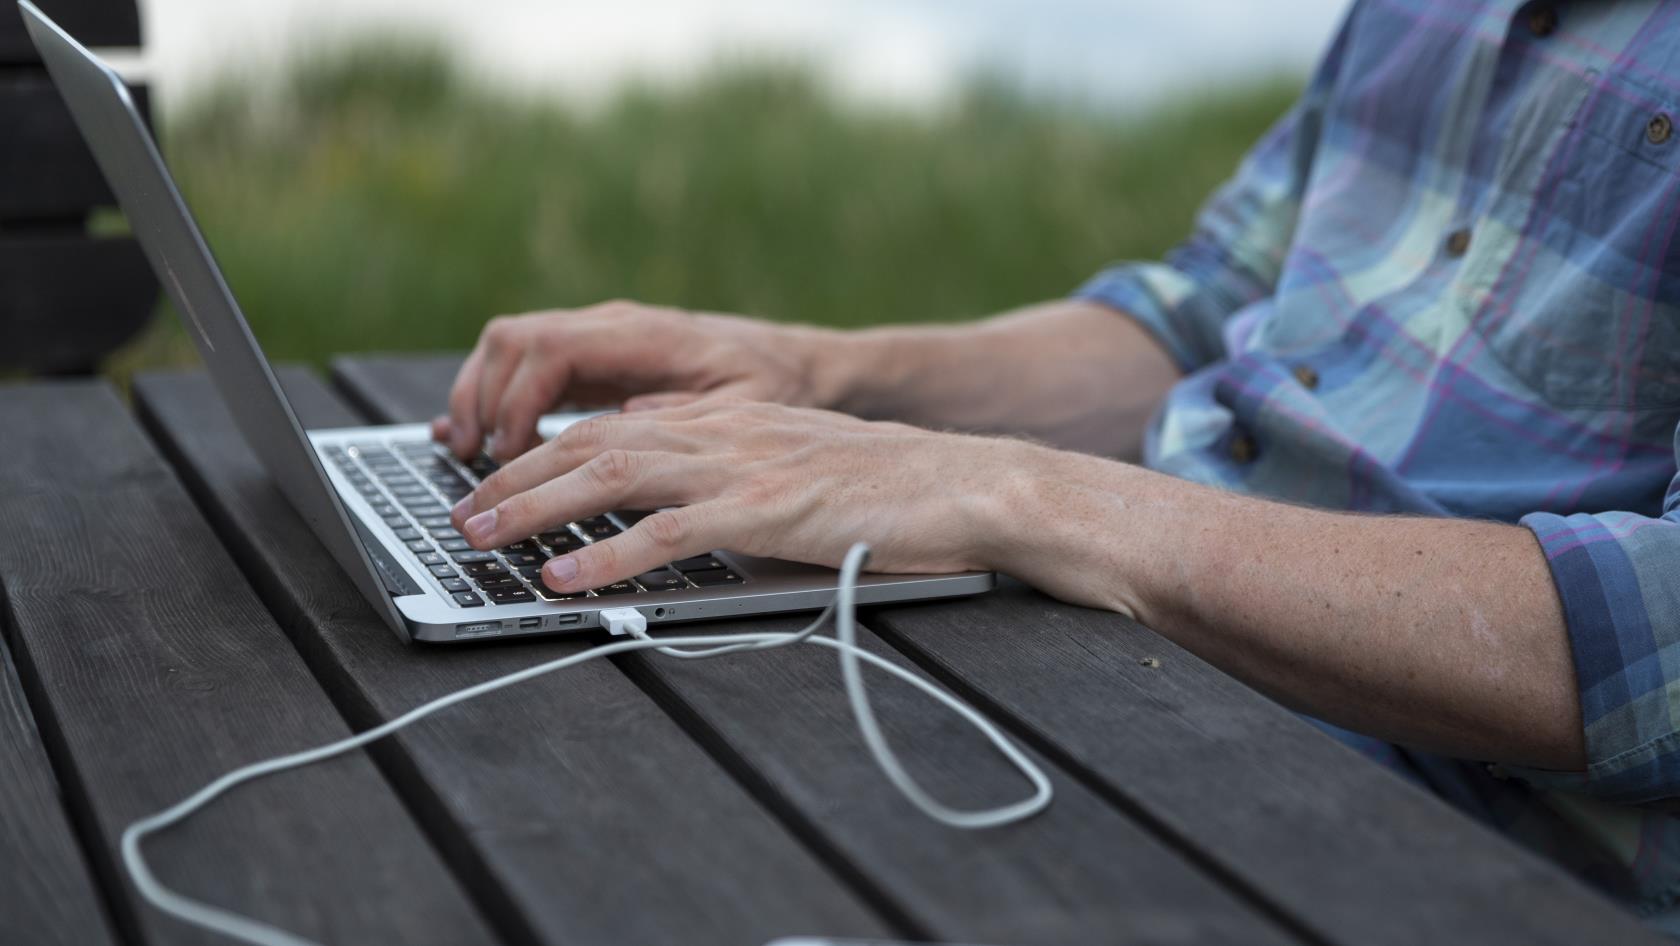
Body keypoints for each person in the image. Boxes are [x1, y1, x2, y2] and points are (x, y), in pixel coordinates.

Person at [436, 0, 1680, 926]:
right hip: (1131, 661)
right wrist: (817, 371)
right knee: (553, 768)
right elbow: (1211, 309)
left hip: (1422, 839)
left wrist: (1023, 492)